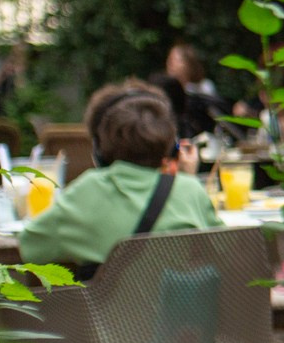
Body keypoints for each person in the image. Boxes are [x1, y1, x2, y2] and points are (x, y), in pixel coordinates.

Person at [19, 81, 220, 273]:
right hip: (178, 300)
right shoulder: (190, 190)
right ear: (170, 147)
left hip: (109, 300)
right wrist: (183, 179)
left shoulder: (87, 191)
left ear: (99, 150)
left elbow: (30, 247)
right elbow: (226, 251)